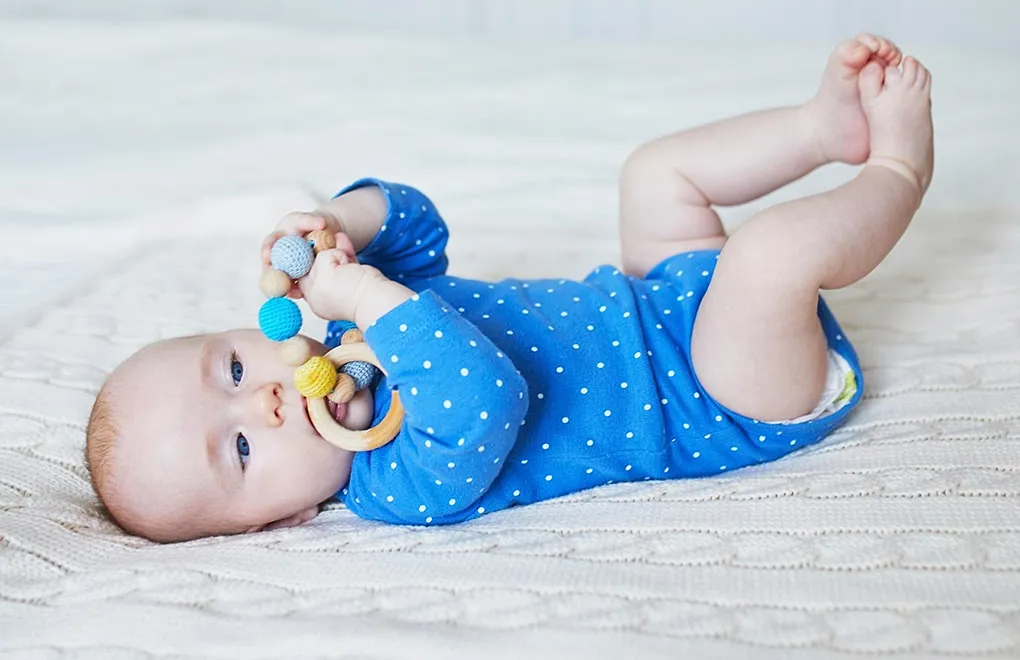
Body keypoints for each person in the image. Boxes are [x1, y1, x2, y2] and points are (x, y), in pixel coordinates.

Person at [85, 34, 933, 543]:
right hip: (719, 393)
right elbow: (483, 395)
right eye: (239, 451)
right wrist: (370, 297)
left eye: (232, 372)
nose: (264, 404)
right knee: (767, 256)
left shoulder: (354, 329)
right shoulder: (398, 484)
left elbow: (422, 227)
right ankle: (898, 167)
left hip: (656, 298)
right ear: (280, 523)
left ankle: (822, 127)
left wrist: (341, 222)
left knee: (654, 173)